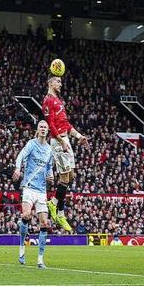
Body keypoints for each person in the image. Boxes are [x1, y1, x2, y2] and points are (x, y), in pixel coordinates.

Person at [42, 75, 88, 231]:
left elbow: (66, 124)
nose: (60, 84)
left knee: (71, 176)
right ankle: (56, 208)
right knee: (65, 178)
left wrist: (79, 136)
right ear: (50, 83)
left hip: (65, 139)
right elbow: (50, 124)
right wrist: (61, 141)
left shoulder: (59, 101)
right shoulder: (48, 101)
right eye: (58, 81)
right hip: (58, 141)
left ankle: (56, 206)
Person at [13, 120, 54, 269]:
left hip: (41, 191)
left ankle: (40, 260)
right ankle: (22, 248)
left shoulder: (49, 150)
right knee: (26, 216)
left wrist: (51, 176)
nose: (43, 129)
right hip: (29, 187)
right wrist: (18, 168)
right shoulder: (31, 144)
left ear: (47, 131)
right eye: (41, 127)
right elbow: (20, 156)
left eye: (45, 127)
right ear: (37, 129)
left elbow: (49, 167)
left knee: (44, 223)